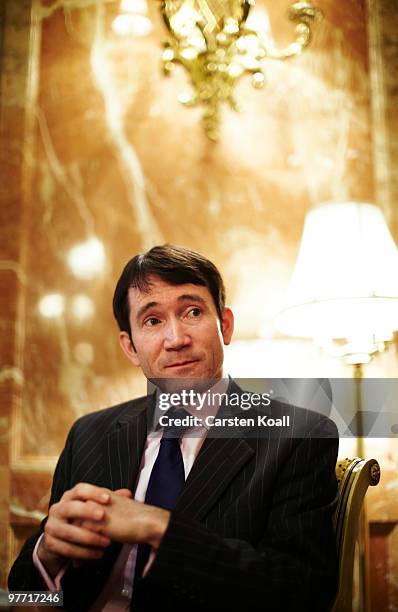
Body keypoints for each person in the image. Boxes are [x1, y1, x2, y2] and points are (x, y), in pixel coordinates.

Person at [9, 244, 339, 611]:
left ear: (225, 326)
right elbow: (22, 596)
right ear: (131, 347)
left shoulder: (296, 436)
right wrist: (47, 557)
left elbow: (303, 593)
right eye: (152, 321)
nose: (176, 339)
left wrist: (159, 528)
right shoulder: (89, 434)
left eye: (192, 312)